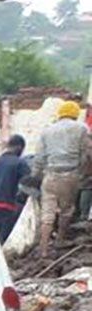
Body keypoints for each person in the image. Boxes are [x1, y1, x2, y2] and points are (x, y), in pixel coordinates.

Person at [35, 101, 91, 255]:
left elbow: (39, 157)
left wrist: (36, 175)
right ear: (75, 114)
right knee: (67, 210)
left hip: (50, 175)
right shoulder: (81, 128)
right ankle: (59, 240)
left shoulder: (47, 130)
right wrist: (81, 172)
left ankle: (43, 248)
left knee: (47, 212)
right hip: (69, 175)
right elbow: (86, 153)